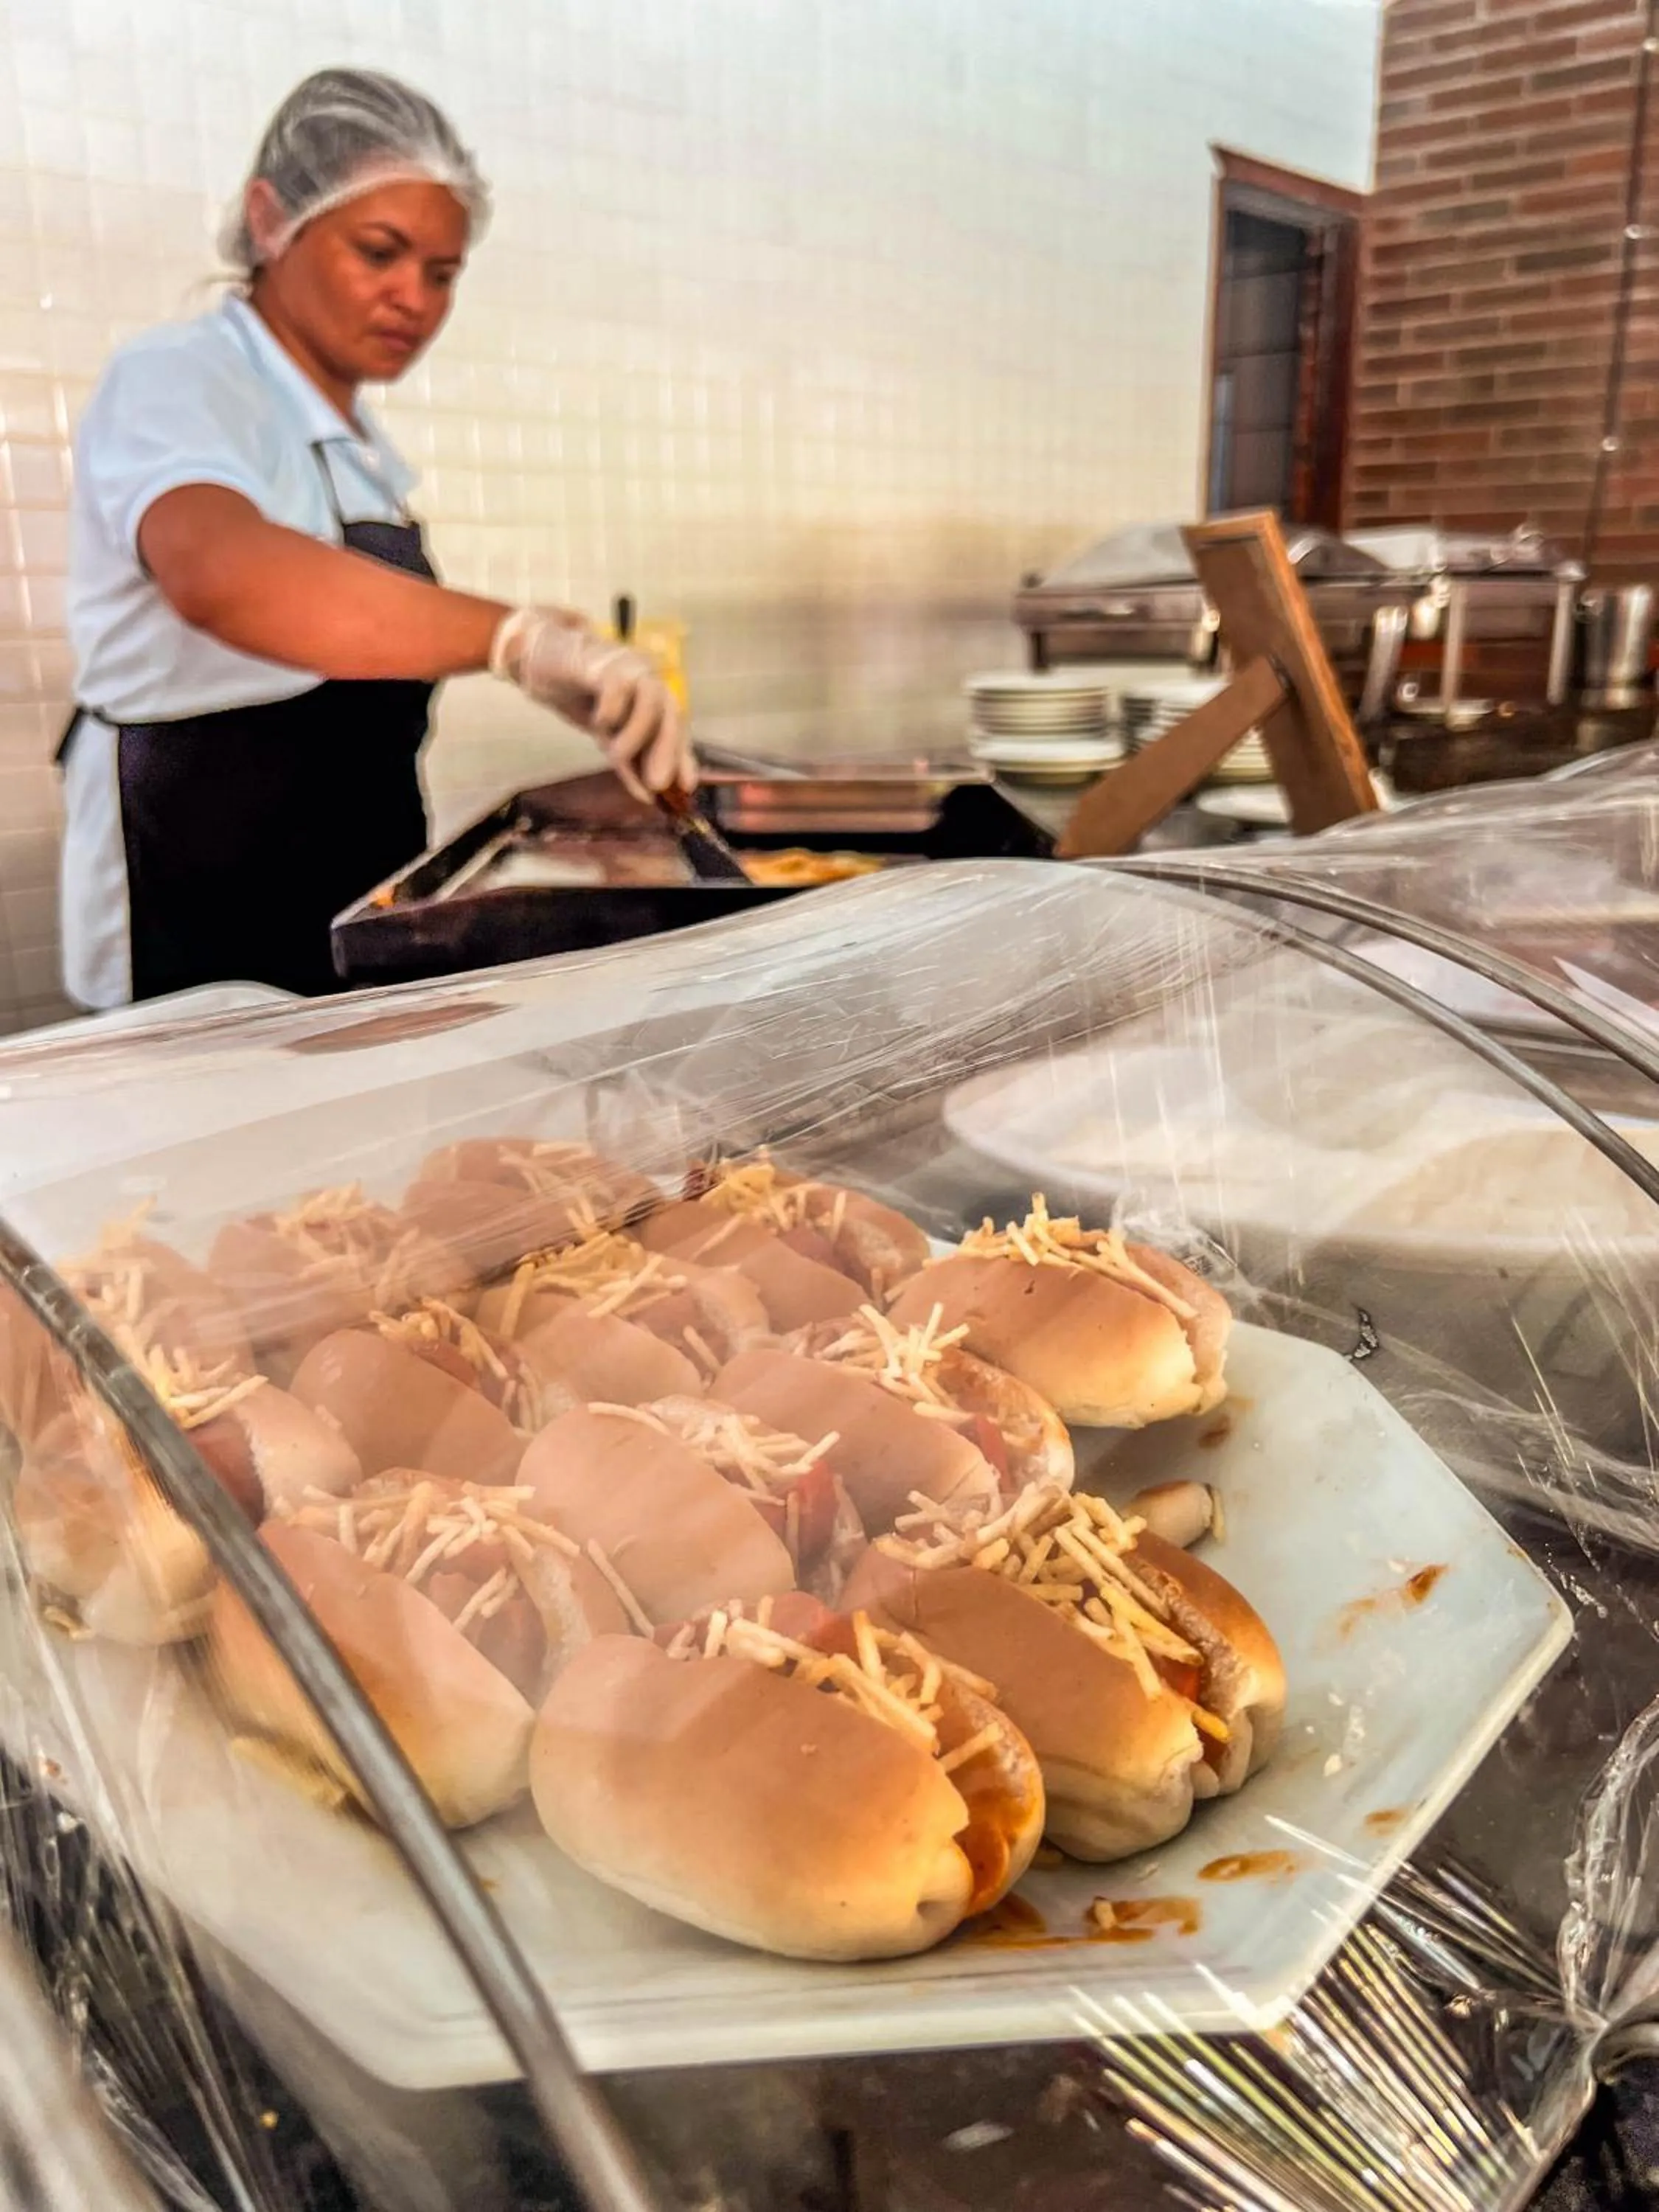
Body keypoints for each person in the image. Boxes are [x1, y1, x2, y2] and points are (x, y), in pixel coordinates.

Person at [60, 68, 691, 1009]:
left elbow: (363, 629)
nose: (415, 299)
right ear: (270, 219)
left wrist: (568, 658)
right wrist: (514, 640)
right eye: (380, 252)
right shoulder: (179, 377)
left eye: (442, 274)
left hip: (350, 869)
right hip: (195, 880)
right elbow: (224, 574)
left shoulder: (357, 446)